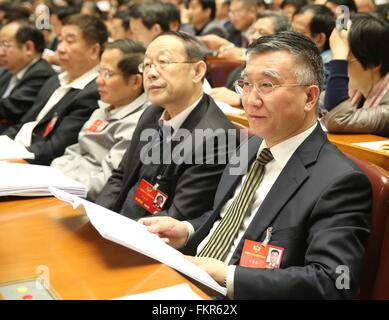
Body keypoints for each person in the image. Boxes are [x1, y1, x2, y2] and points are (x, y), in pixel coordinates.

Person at [139, 32, 372, 299]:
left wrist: (228, 275)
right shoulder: (250, 146)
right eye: (246, 84)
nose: (250, 99)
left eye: (267, 86)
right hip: (188, 278)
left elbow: (333, 282)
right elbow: (229, 217)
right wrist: (187, 230)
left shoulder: (340, 181)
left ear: (310, 97)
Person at [95, 31, 237, 222]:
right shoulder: (152, 113)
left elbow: (178, 217)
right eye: (146, 65)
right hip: (116, 225)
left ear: (197, 71)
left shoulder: (217, 138)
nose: (151, 73)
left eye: (163, 62)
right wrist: (97, 218)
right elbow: (120, 177)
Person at [2, 14, 108, 165]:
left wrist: (9, 159)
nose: (60, 48)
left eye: (70, 41)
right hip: (15, 151)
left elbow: (55, 148)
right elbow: (24, 123)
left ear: (94, 50)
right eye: (60, 40)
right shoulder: (54, 81)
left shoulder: (94, 91)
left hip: (34, 163)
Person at [50, 39, 148, 201]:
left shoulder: (138, 123)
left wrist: (59, 184)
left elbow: (107, 182)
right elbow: (74, 151)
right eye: (99, 72)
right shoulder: (103, 108)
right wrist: (52, 175)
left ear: (135, 81)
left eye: (107, 74)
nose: (98, 81)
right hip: (62, 186)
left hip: (83, 199)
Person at [321, 14, 389, 137]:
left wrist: (339, 59)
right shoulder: (354, 89)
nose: (340, 70)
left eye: (346, 60)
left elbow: (338, 119)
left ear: (375, 63)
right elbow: (313, 104)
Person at [0, 20, 56, 132]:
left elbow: (10, 108)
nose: (0, 52)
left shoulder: (42, 74)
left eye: (4, 45)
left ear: (28, 48)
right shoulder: (10, 69)